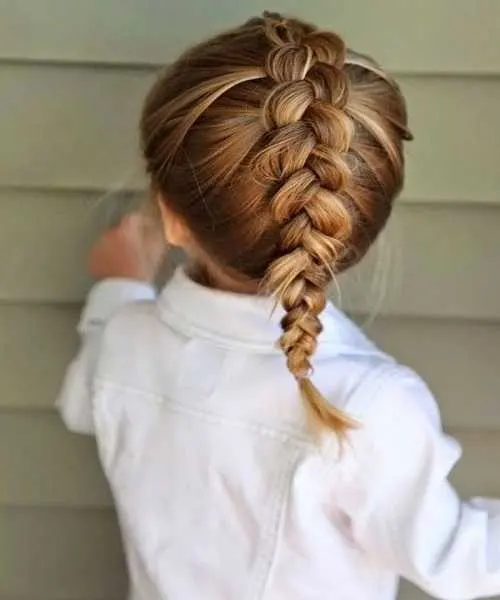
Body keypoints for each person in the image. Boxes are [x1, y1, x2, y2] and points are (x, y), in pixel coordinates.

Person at [57, 12, 500, 600]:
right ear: (345, 226)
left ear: (170, 216)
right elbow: (464, 562)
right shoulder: (369, 405)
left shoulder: (123, 340)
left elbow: (78, 404)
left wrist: (117, 287)